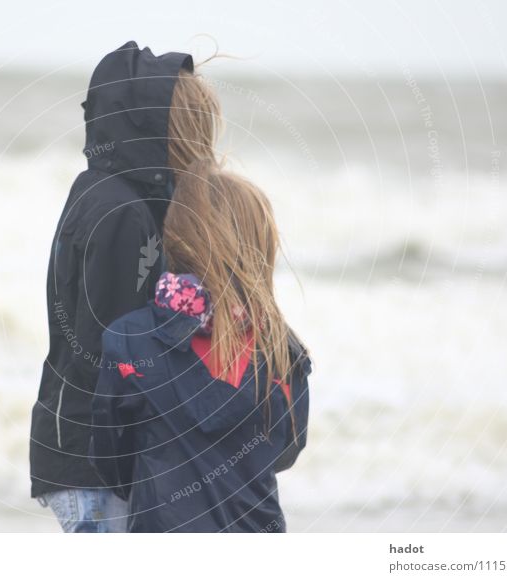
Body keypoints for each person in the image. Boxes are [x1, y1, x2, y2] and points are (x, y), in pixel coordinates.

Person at [29, 41, 221, 532]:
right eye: (192, 122)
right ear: (152, 124)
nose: (203, 138)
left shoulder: (108, 190)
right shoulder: (123, 214)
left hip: (84, 449)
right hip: (93, 462)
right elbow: (115, 352)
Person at [89, 161, 312, 532]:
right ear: (260, 248)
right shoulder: (282, 349)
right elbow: (287, 449)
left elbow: (110, 457)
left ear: (175, 237)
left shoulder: (129, 340)